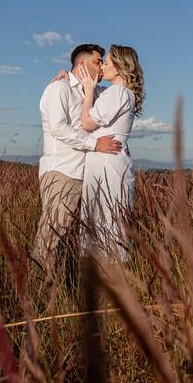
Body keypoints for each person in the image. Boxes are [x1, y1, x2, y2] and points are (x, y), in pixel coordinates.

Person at [31, 44, 123, 271]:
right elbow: (58, 128)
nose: (101, 67)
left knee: (72, 239)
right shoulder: (59, 89)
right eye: (97, 62)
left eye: (103, 62)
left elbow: (119, 91)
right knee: (50, 236)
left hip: (85, 175)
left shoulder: (94, 92)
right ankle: (38, 293)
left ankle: (66, 286)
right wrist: (95, 144)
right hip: (63, 172)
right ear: (82, 64)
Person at [74, 45, 144, 262]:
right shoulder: (120, 93)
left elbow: (86, 123)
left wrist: (86, 92)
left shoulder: (118, 93)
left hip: (106, 164)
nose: (103, 66)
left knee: (105, 218)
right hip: (109, 161)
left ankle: (106, 273)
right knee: (108, 217)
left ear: (120, 67)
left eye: (107, 63)